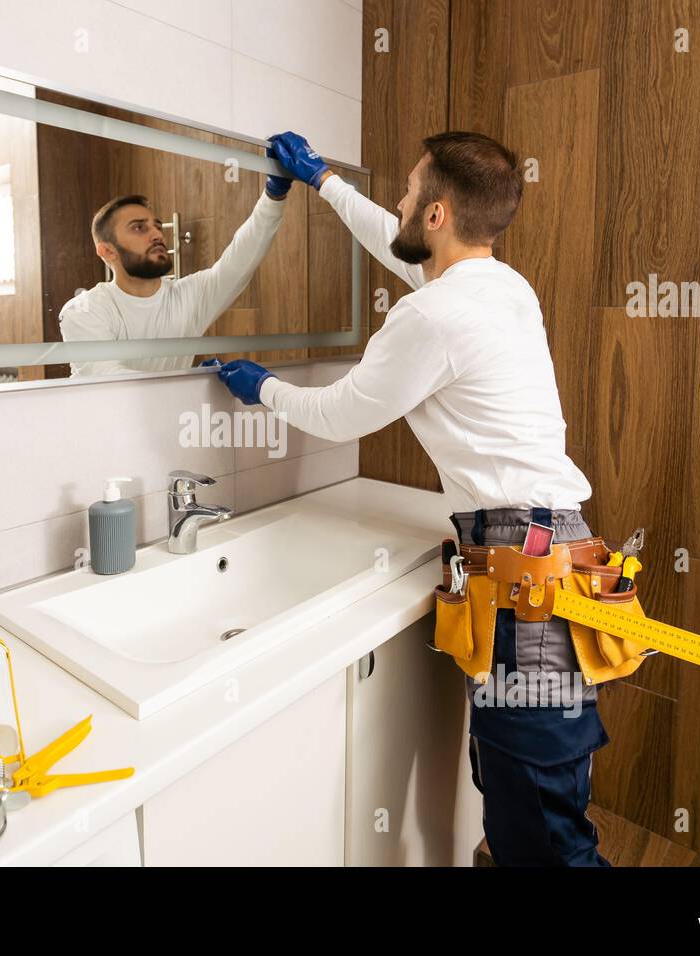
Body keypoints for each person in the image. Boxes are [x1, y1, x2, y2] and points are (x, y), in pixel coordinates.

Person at [217, 129, 611, 867]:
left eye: (407, 191)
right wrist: (324, 182)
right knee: (522, 791)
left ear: (434, 215)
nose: (397, 202)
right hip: (552, 555)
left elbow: (338, 416)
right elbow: (393, 242)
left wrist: (260, 388)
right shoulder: (502, 287)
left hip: (525, 581)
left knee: (544, 831)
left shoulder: (431, 317)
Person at [58, 169, 292, 377]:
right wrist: (188, 382)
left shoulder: (189, 296)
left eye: (157, 226)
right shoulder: (84, 310)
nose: (157, 235)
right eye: (139, 227)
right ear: (107, 251)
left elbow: (241, 259)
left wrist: (274, 194)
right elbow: (111, 381)